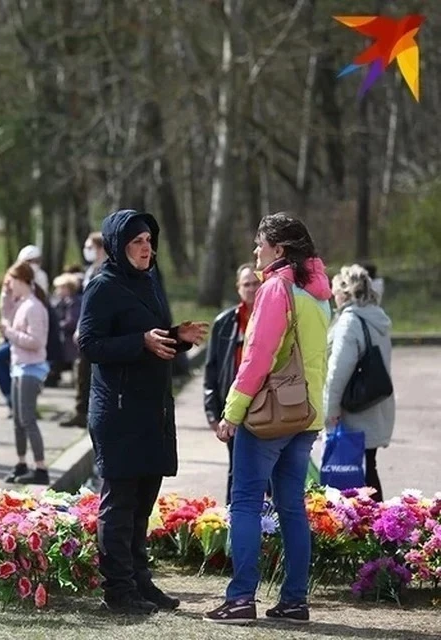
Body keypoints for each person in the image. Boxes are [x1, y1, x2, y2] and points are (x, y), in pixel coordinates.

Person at [78, 209, 208, 616]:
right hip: (118, 413)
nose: (145, 247)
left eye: (149, 240)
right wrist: (141, 341)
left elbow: (152, 339)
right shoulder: (102, 286)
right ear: (118, 246)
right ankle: (118, 590)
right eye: (136, 241)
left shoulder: (150, 281)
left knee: (142, 505)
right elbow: (89, 344)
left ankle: (139, 581)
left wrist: (175, 338)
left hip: (152, 410)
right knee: (119, 505)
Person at [205, 212, 331, 625]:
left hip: (270, 416)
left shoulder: (276, 289)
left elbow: (258, 358)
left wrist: (232, 412)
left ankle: (241, 598)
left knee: (244, 501)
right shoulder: (316, 294)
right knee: (291, 506)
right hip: (306, 414)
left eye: (260, 244)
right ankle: (295, 601)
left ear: (278, 249)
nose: (255, 251)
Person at [324, 264, 394, 502]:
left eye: (334, 290)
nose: (332, 296)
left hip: (352, 408)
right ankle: (380, 525)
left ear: (345, 292)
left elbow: (338, 370)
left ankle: (365, 527)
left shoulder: (349, 322)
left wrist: (330, 409)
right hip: (373, 402)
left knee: (349, 473)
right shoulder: (377, 317)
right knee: (368, 466)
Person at [203, 263, 261, 504]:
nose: (251, 289)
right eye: (246, 284)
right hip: (233, 407)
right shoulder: (225, 322)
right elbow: (212, 369)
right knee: (237, 468)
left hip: (264, 406)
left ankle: (269, 527)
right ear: (238, 288)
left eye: (255, 283)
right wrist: (212, 411)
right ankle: (233, 519)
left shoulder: (273, 317)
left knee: (265, 471)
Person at [0, 261, 51, 485]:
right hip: (19, 366)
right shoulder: (21, 304)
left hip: (31, 368)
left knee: (27, 418)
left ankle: (41, 467)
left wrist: (10, 334)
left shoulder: (34, 307)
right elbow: (7, 314)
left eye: (11, 282)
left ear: (22, 280)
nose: (10, 286)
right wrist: (4, 294)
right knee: (18, 420)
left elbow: (36, 342)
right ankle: (21, 463)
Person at [60, 232, 106, 428]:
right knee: (82, 372)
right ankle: (81, 411)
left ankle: (91, 413)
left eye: (90, 247)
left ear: (101, 248)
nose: (86, 250)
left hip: (98, 331)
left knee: (93, 374)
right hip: (87, 328)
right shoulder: (91, 271)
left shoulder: (106, 270)